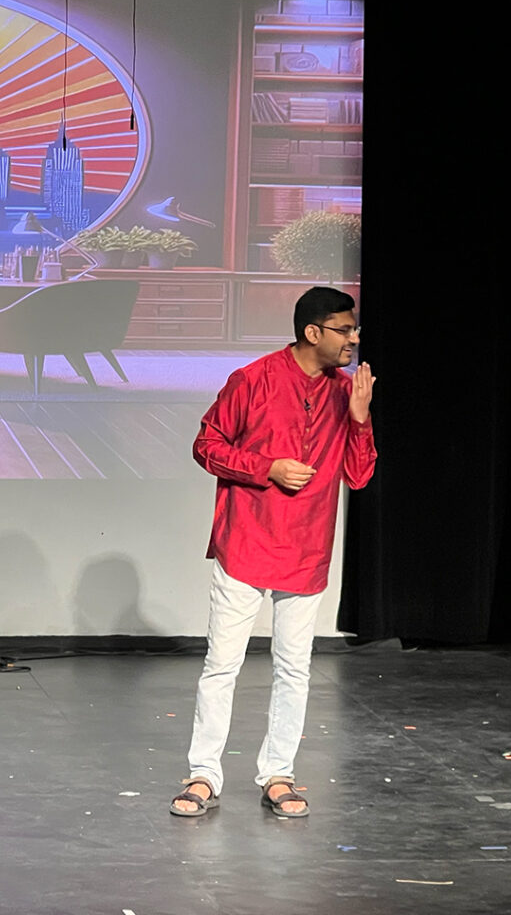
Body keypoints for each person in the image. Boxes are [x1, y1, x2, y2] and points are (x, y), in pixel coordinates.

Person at [170, 287, 377, 819]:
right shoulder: (253, 379)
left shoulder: (345, 392)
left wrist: (359, 418)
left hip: (306, 548)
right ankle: (203, 774)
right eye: (344, 329)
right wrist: (268, 468)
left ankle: (278, 774)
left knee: (294, 669)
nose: (353, 339)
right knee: (222, 665)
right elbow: (207, 445)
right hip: (247, 540)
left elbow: (359, 476)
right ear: (313, 332)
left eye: (354, 329)